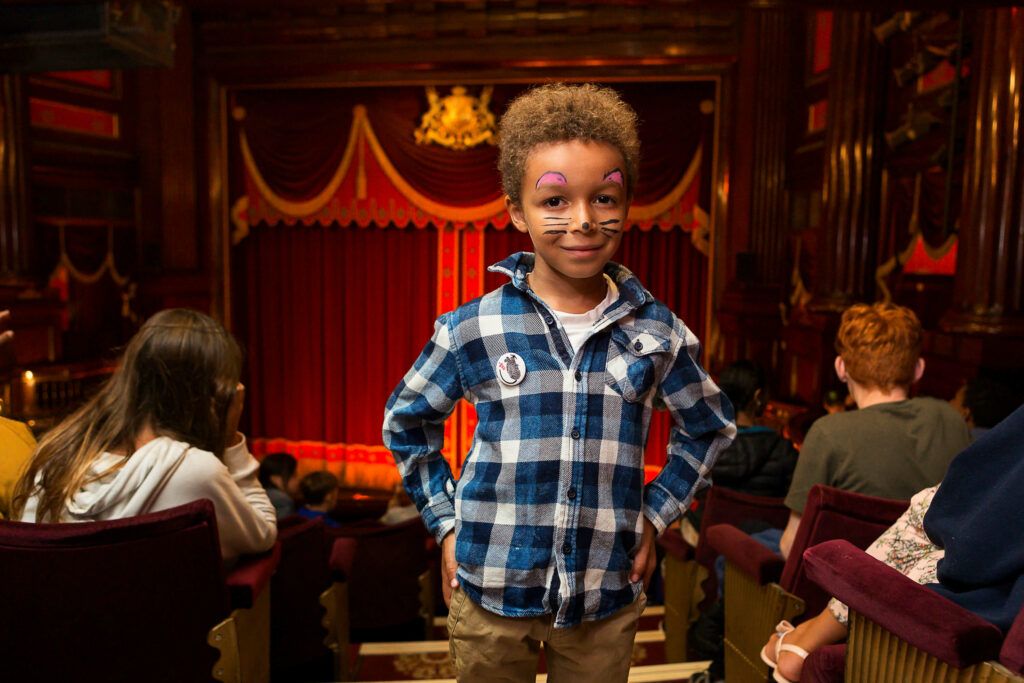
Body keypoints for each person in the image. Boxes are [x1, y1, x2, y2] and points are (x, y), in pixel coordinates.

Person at [383, 83, 736, 683]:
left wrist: (653, 516)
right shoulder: (472, 327)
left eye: (603, 197)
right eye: (554, 201)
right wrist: (444, 524)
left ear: (626, 202)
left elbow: (708, 427)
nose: (582, 221)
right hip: (490, 589)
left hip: (604, 596)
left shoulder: (658, 331)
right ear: (517, 210)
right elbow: (407, 421)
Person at [10, 308, 277, 563]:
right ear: (211, 395)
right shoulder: (196, 472)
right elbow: (262, 532)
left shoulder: (55, 459)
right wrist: (229, 438)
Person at [777, 302, 970, 560]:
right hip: (931, 590)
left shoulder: (828, 433)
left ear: (841, 367)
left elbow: (792, 547)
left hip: (845, 589)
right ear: (918, 369)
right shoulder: (951, 420)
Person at [684, 360, 797, 535]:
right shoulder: (785, 451)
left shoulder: (702, 446)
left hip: (707, 546)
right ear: (758, 397)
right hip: (760, 551)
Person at [259, 451, 299, 519]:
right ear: (276, 479)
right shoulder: (283, 500)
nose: (297, 480)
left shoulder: (260, 493)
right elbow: (284, 528)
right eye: (293, 476)